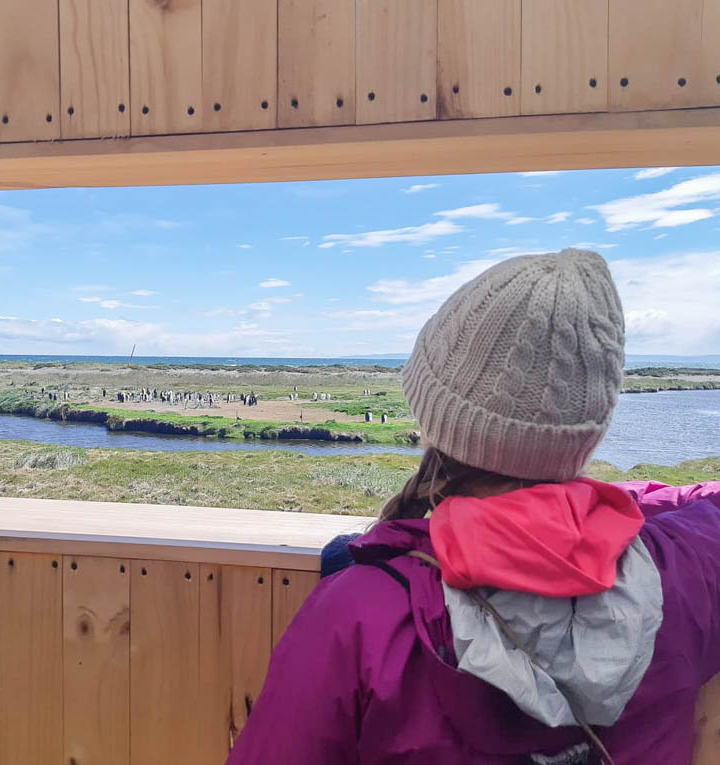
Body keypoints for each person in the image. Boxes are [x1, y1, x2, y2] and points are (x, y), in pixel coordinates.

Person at [227, 250, 720, 764]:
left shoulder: (361, 612)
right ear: (588, 429)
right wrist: (603, 506)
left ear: (434, 421)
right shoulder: (684, 573)